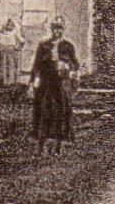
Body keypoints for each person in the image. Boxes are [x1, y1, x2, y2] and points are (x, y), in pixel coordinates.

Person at [29, 16, 78, 156]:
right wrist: (34, 81)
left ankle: (60, 142)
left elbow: (75, 63)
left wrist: (68, 67)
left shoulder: (68, 46)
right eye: (55, 28)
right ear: (51, 29)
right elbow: (37, 64)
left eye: (60, 28)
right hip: (47, 82)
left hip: (62, 83)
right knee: (45, 110)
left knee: (62, 110)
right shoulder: (44, 45)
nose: (57, 31)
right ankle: (41, 142)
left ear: (63, 30)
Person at [0, 17, 24, 92]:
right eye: (8, 24)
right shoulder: (0, 33)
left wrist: (17, 48)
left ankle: (10, 84)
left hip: (10, 53)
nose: (9, 26)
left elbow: (21, 41)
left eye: (11, 24)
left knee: (10, 68)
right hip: (0, 53)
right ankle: (1, 84)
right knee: (1, 68)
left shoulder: (14, 33)